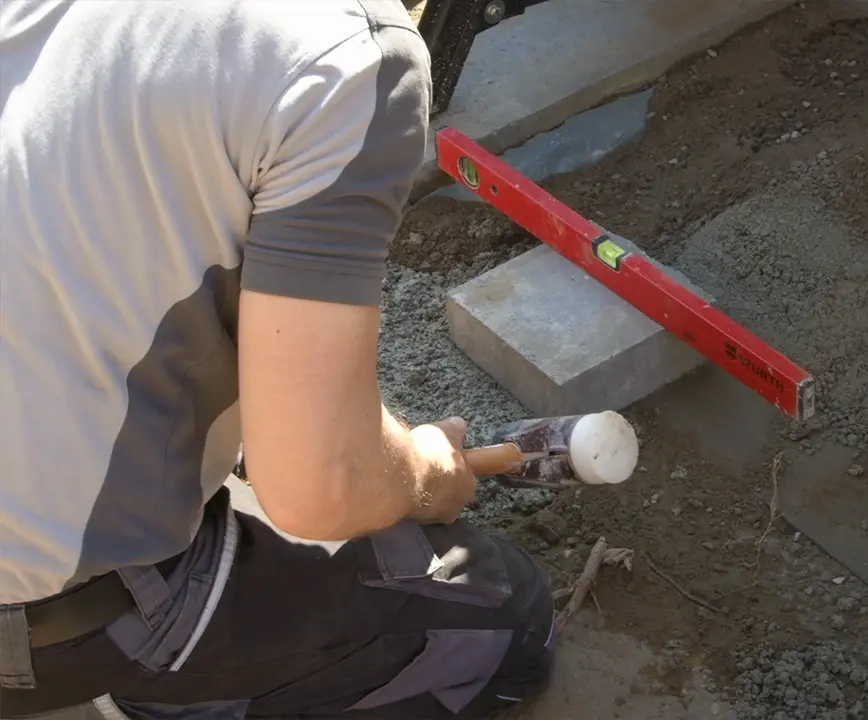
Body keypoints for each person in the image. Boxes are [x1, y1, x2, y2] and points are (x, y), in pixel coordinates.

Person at [0, 1, 555, 718]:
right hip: (41, 624)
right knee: (501, 615)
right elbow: (320, 488)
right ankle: (165, 679)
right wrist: (422, 472)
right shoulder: (344, 56)